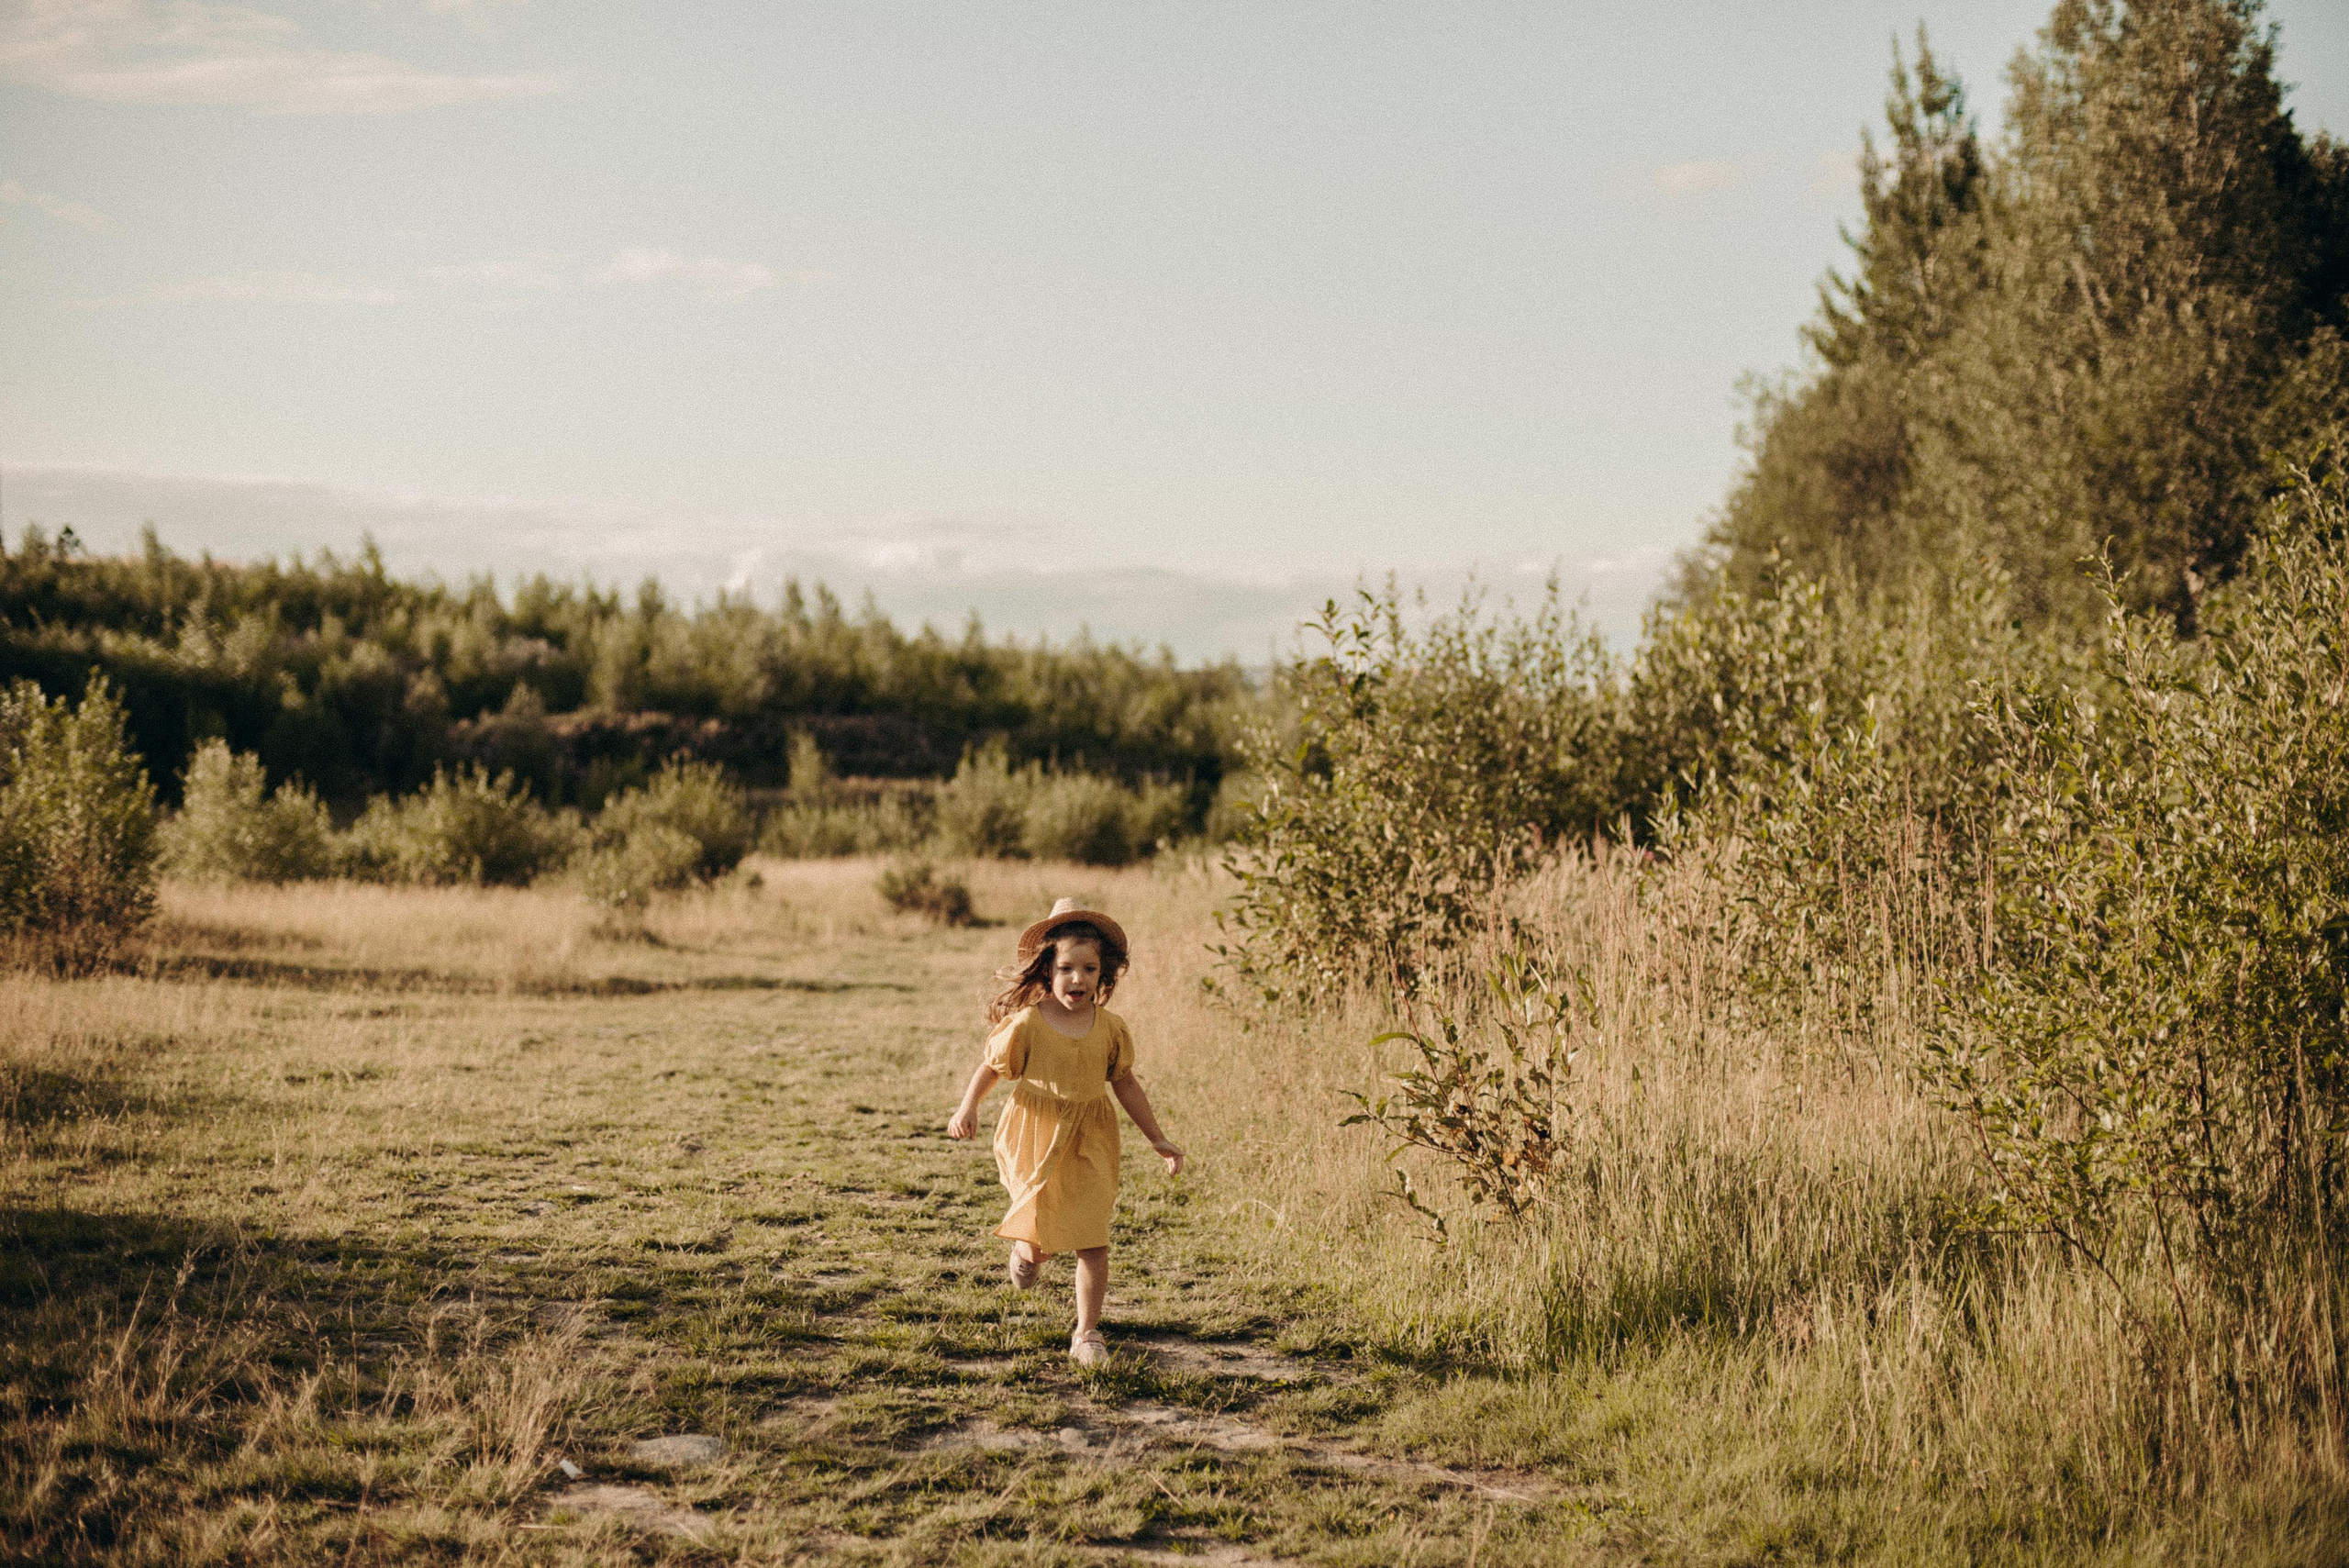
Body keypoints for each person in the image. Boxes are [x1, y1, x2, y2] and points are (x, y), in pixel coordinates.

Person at [946, 896, 1184, 1365]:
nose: (1078, 979)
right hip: (1035, 1135)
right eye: (1067, 968)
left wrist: (1157, 1137)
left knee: (1092, 1238)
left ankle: (1087, 1333)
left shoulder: (1110, 1028)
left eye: (1089, 969)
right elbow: (992, 1068)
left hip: (1091, 1138)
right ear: (1047, 971)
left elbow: (1125, 1083)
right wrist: (967, 1106)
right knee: (1040, 1243)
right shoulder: (1028, 1023)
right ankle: (1026, 1251)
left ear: (1103, 973)